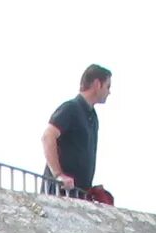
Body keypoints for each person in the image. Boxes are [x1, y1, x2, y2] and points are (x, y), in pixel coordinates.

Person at [42, 67, 112, 200]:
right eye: (108, 86)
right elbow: (47, 136)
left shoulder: (93, 116)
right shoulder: (71, 108)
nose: (109, 92)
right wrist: (58, 175)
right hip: (60, 193)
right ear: (97, 84)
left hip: (78, 194)